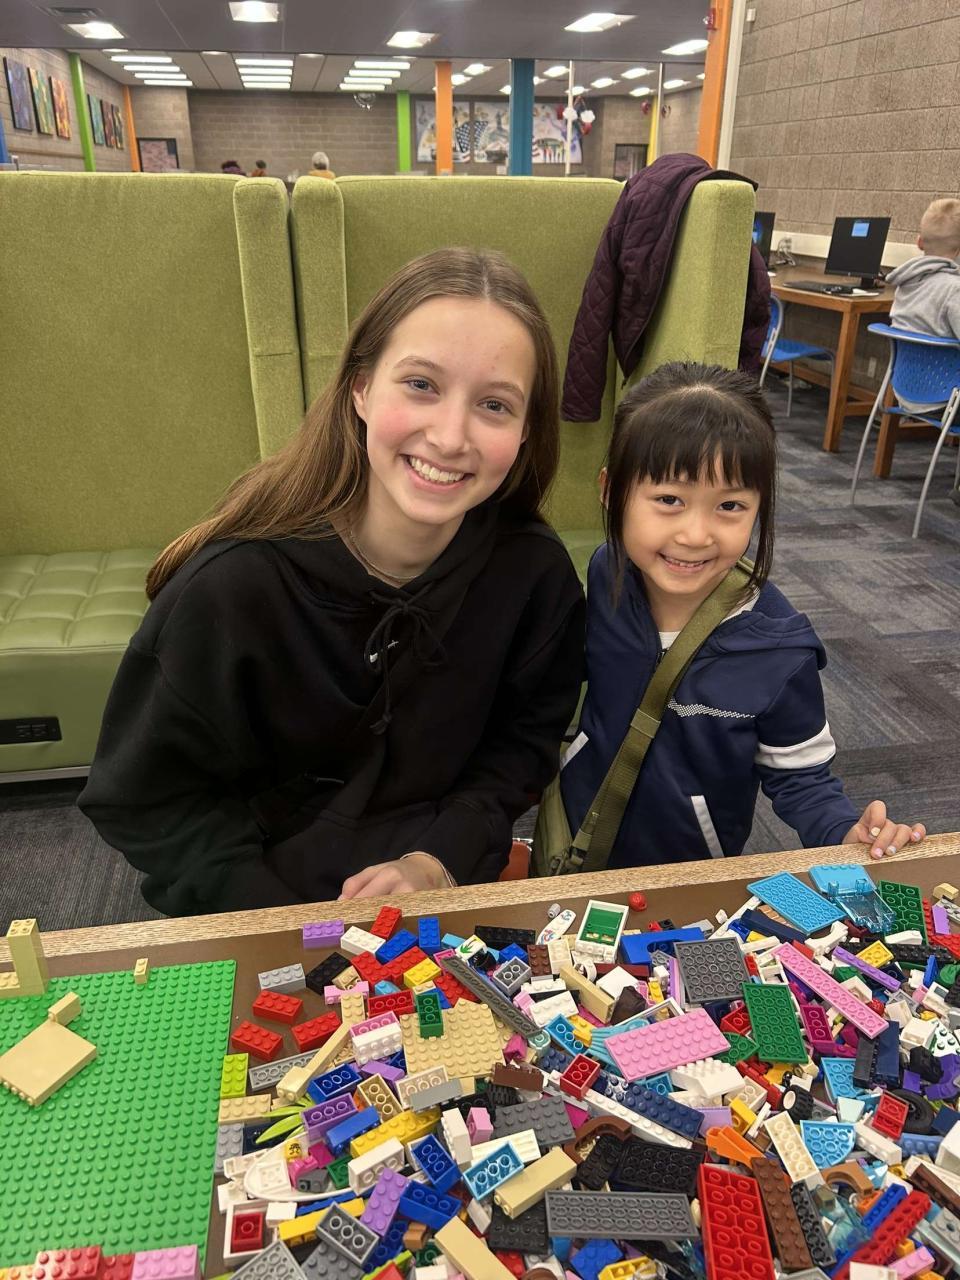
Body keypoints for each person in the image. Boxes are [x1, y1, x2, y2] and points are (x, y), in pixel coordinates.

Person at [79, 248, 585, 915]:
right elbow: (147, 799)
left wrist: (437, 859)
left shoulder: (535, 576)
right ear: (360, 389)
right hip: (258, 907)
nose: (450, 436)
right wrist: (284, 922)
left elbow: (521, 747)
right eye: (421, 385)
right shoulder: (230, 587)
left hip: (438, 894)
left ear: (524, 432)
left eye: (494, 404)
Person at [560, 361, 926, 867]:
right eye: (669, 499)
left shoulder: (779, 652)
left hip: (690, 873)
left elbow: (803, 781)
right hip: (575, 841)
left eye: (729, 506)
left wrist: (846, 832)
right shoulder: (608, 573)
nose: (695, 535)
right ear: (610, 491)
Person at [887, 199, 960, 502]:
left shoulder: (905, 284)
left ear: (919, 242)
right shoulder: (953, 290)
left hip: (905, 390)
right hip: (942, 400)